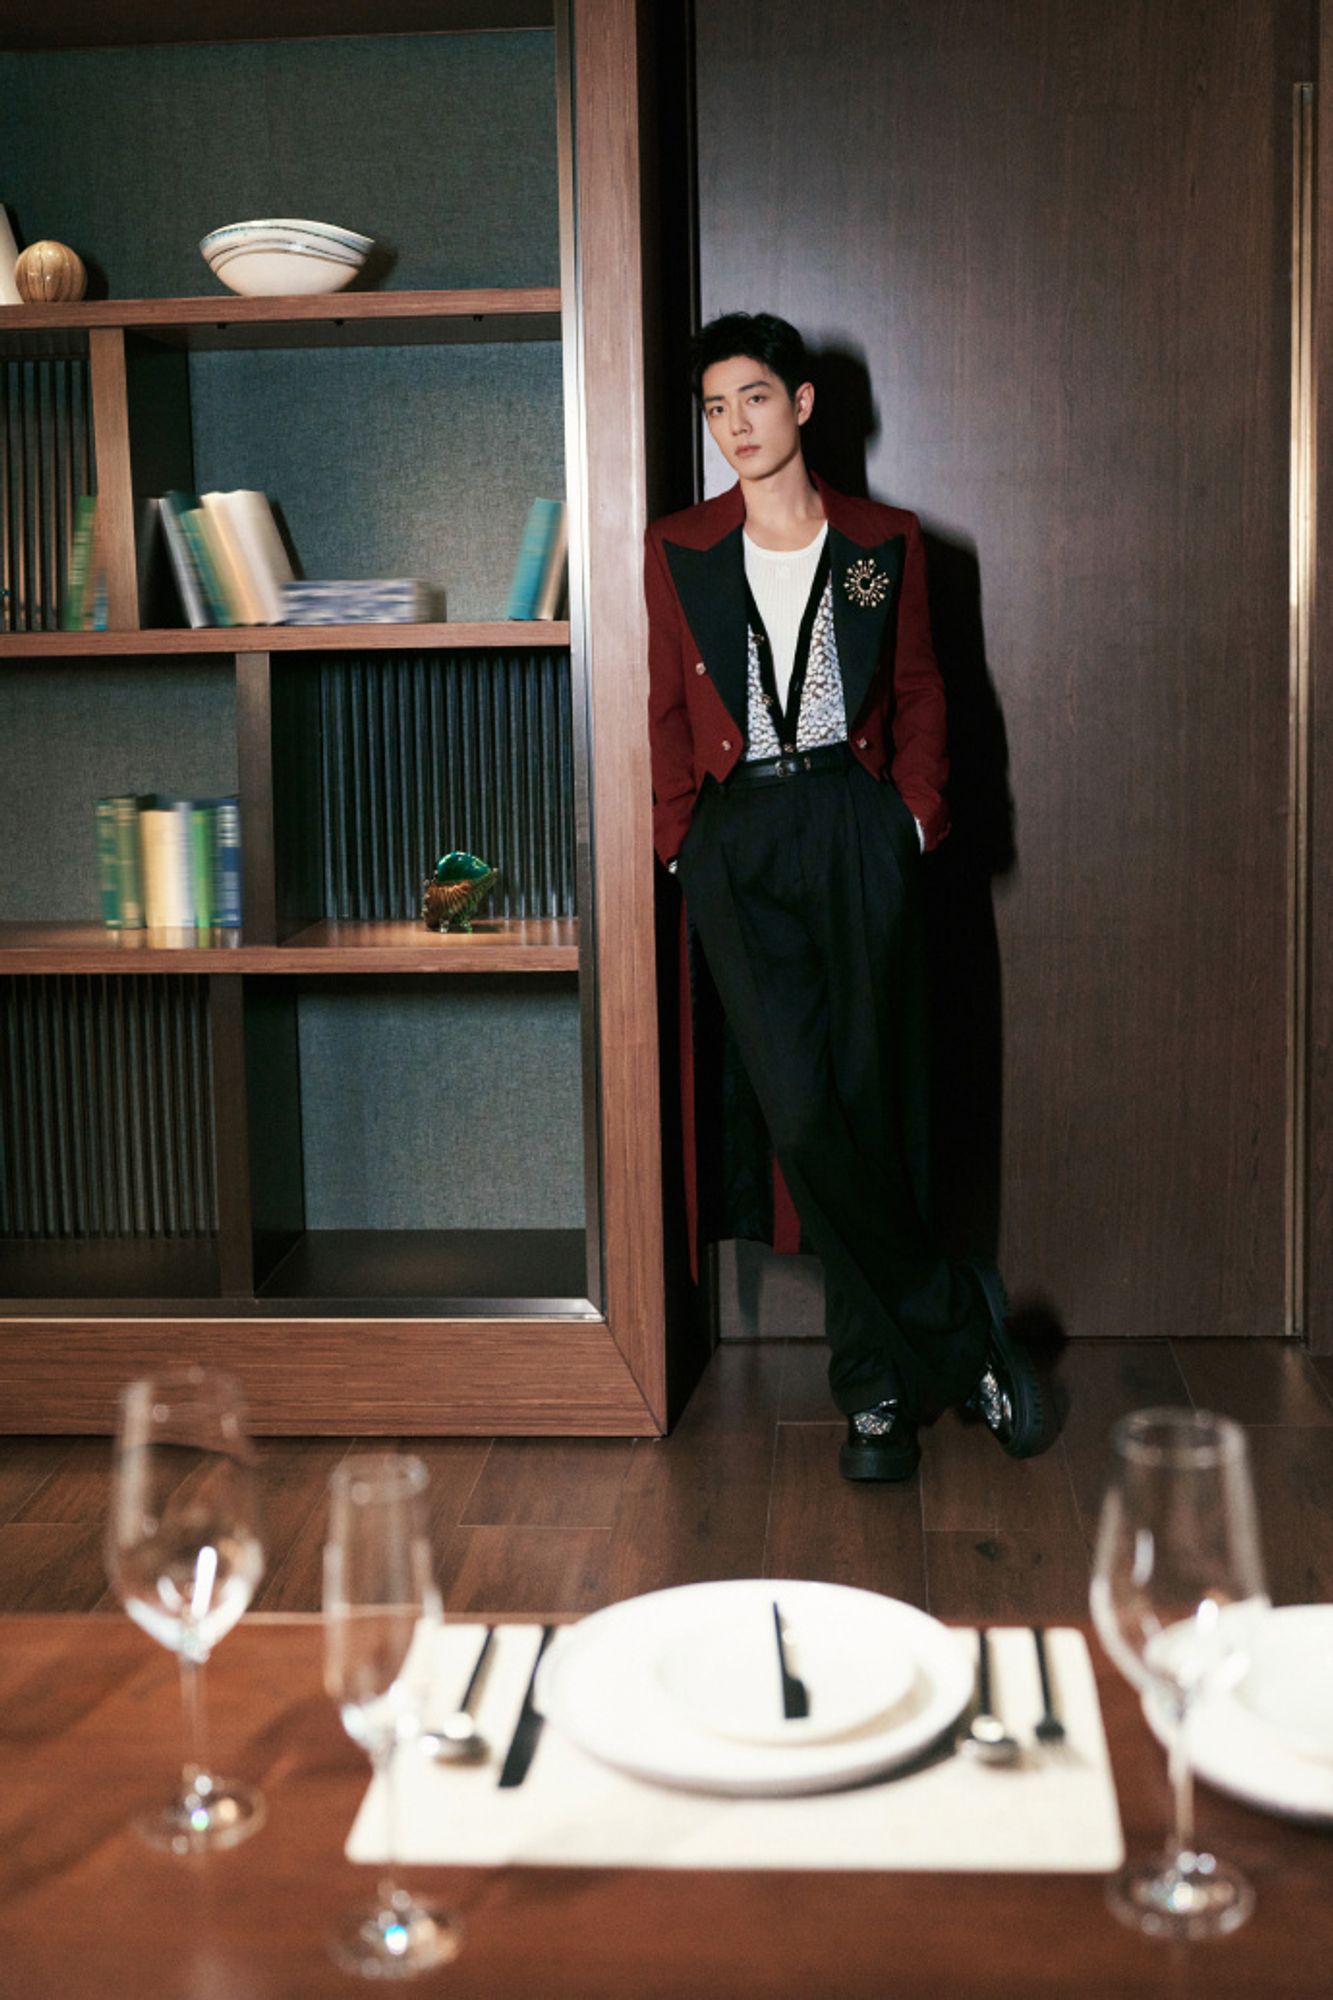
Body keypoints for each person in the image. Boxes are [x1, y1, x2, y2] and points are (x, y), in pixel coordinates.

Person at [644, 310, 1046, 1480]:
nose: (734, 427)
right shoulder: (678, 545)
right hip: (737, 838)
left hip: (856, 826)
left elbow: (923, 688)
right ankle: (960, 1333)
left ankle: (871, 1396)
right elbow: (667, 703)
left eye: (753, 399)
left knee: (868, 1110)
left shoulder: (886, 541)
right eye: (715, 407)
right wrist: (682, 842)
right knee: (804, 1115)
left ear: (804, 403)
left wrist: (910, 816)